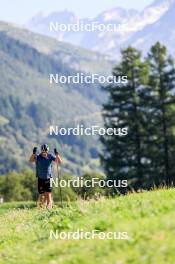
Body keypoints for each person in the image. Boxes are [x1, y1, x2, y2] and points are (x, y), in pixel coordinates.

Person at [29, 144, 62, 209]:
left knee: (48, 195)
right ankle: (40, 210)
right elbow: (31, 160)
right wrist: (33, 154)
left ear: (47, 151)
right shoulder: (38, 157)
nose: (44, 153)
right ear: (41, 151)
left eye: (45, 152)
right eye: (43, 152)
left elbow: (59, 162)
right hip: (40, 179)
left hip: (48, 179)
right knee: (41, 195)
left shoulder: (50, 156)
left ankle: (48, 210)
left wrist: (57, 154)